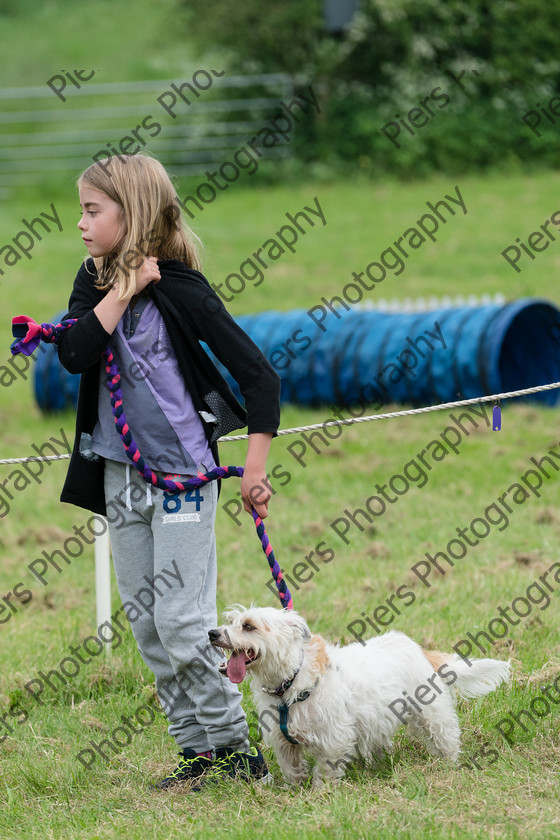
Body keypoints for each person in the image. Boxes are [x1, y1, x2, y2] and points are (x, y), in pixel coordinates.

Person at [57, 153, 281, 789]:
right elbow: (74, 353)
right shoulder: (92, 281)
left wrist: (255, 467)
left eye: (92, 211)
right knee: (149, 627)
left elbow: (261, 376)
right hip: (119, 480)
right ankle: (199, 755)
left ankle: (240, 754)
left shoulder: (182, 289)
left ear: (131, 215)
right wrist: (122, 288)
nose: (80, 223)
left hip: (181, 479)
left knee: (185, 625)